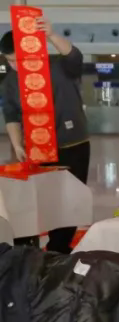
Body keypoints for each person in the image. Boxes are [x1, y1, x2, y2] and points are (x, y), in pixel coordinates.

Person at [1, 18, 90, 254]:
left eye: (18, 59)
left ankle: (59, 249)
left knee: (71, 198)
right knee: (47, 200)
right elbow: (10, 115)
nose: (15, 66)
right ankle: (50, 249)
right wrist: (17, 144)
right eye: (9, 61)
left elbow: (75, 57)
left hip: (73, 143)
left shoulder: (57, 67)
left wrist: (51, 35)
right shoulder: (10, 82)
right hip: (39, 148)